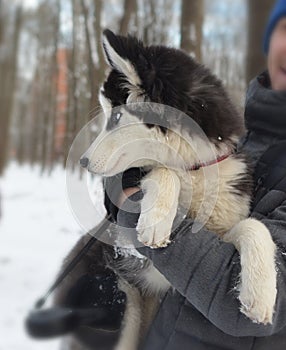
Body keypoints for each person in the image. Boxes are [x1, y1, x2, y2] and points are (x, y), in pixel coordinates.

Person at [51, 1, 286, 349]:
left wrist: (139, 204)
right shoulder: (241, 134)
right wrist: (132, 180)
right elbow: (147, 151)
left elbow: (240, 301)